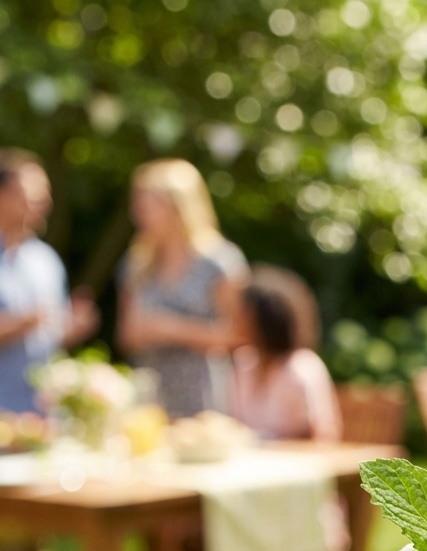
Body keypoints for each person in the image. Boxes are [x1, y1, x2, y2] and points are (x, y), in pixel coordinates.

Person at [117, 159, 247, 418]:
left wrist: (172, 329)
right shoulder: (137, 264)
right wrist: (141, 332)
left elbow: (241, 335)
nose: (139, 215)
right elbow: (125, 336)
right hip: (150, 397)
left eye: (148, 206)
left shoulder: (220, 262)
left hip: (204, 397)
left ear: (178, 207)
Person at [0, 148, 98, 413]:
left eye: (45, 197)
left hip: (40, 416)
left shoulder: (45, 260)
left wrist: (73, 327)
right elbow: (32, 322)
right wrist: (22, 322)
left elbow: (51, 338)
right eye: (32, 196)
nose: (44, 205)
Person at [229, 266, 342, 441]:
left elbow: (323, 436)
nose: (236, 320)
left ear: (266, 320)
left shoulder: (302, 368)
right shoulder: (244, 364)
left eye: (244, 315)